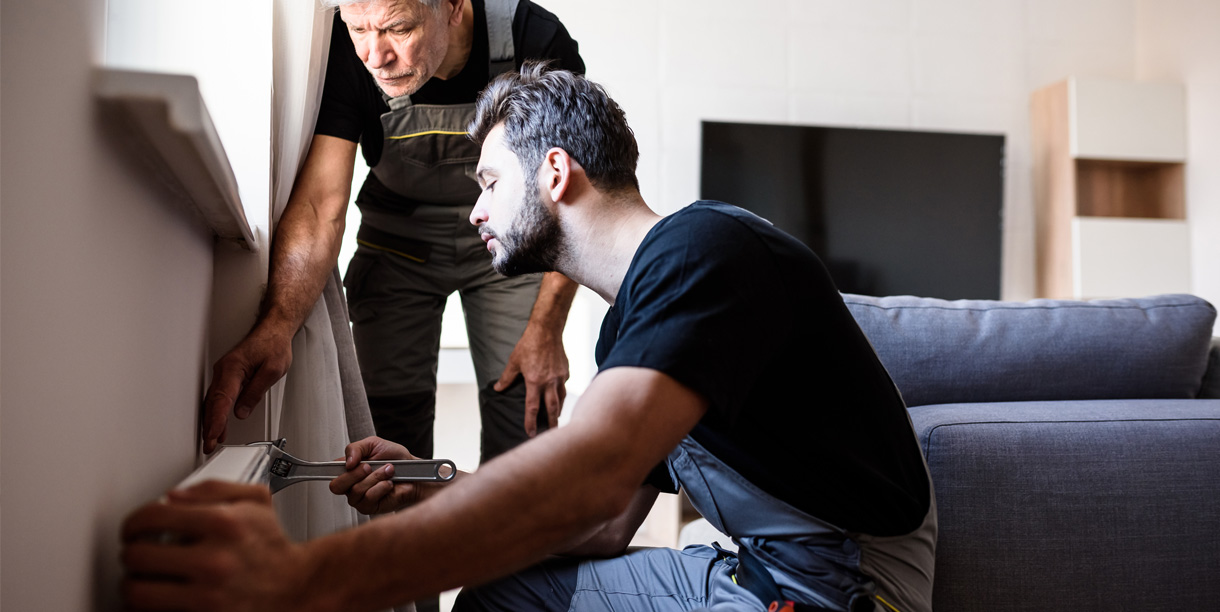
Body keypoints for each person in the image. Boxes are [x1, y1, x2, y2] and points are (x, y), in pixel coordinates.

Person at [122, 64, 937, 612]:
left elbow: (590, 480)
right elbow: (605, 525)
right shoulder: (636, 321)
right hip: (756, 568)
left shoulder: (706, 253)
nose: (475, 211)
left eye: (488, 182)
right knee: (503, 596)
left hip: (847, 591)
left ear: (554, 171)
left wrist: (301, 579)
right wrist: (430, 484)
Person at [201, 0, 585, 463]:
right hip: (398, 249)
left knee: (526, 419)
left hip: (509, 246)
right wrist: (277, 325)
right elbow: (320, 205)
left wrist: (549, 328)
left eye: (397, 28)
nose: (374, 55)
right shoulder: (347, 56)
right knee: (387, 441)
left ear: (451, 1)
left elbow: (574, 196)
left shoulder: (534, 42)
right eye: (358, 28)